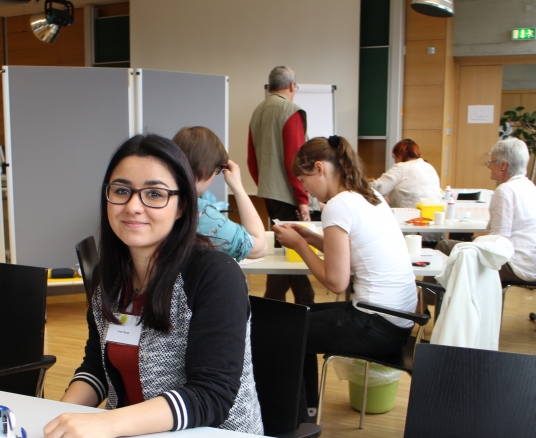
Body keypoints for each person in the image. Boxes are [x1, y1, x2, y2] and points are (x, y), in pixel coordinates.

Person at [43, 134, 263, 438]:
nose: (133, 206)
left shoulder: (215, 273)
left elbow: (211, 395)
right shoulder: (110, 276)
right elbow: (97, 367)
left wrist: (108, 424)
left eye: (154, 194)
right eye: (121, 191)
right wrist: (57, 417)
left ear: (181, 205)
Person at [273, 135, 417, 418]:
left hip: (375, 324)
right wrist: (311, 237)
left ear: (319, 168)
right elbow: (353, 254)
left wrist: (299, 245)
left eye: (303, 180)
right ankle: (306, 410)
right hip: (397, 320)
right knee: (295, 318)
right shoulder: (370, 197)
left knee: (284, 331)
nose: (305, 189)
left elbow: (338, 282)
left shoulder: (338, 205)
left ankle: (297, 417)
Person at [435, 137, 536, 283]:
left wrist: (479, 241)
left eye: (491, 161)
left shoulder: (505, 190)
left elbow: (500, 241)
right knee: (464, 248)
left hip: (515, 266)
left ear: (503, 165)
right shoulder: (534, 189)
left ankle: (429, 302)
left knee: (444, 246)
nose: (488, 166)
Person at [247, 65, 314, 304]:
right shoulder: (290, 111)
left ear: (270, 87)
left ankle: (305, 302)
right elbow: (294, 162)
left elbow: (251, 160)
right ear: (292, 86)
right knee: (290, 256)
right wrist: (303, 199)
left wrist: (266, 185)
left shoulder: (258, 111)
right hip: (289, 195)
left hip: (269, 194)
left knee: (287, 256)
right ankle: (271, 309)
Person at [172, 126, 267, 261]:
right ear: (205, 170)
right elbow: (260, 248)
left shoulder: (158, 198)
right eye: (217, 170)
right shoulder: (199, 213)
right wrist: (238, 187)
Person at [369, 139, 441, 208]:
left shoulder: (401, 167)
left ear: (400, 154)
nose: (395, 160)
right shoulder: (429, 167)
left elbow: (378, 188)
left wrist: (364, 183)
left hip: (406, 216)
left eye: (394, 156)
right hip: (430, 215)